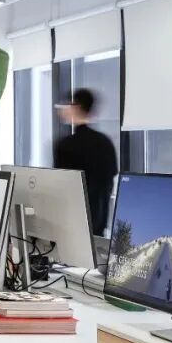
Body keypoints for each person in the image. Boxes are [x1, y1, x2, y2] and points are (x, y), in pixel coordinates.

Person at [53, 88, 119, 235]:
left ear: (76, 107)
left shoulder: (65, 145)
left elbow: (61, 186)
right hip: (99, 225)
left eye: (68, 105)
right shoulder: (105, 142)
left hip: (74, 225)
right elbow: (111, 178)